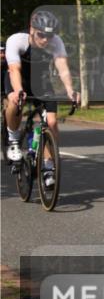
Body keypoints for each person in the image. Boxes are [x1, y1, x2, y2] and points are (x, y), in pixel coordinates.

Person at [4, 10, 79, 187]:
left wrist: (70, 89)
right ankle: (13, 140)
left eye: (50, 35)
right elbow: (14, 69)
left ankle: (48, 166)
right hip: (19, 78)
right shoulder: (16, 40)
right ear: (31, 29)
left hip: (41, 81)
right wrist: (18, 90)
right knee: (15, 101)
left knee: (51, 122)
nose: (46, 39)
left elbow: (63, 68)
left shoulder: (56, 42)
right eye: (41, 35)